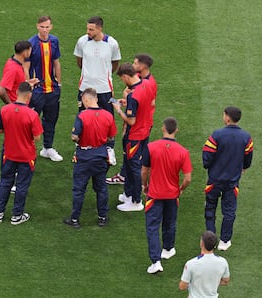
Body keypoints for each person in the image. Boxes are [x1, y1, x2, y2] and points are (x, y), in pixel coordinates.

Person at [141, 117, 192, 274]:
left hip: (155, 195)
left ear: (163, 129)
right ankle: (168, 248)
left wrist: (145, 185)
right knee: (170, 223)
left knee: (152, 227)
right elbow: (188, 178)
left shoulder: (151, 147)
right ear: (176, 130)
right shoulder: (183, 152)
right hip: (172, 195)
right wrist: (181, 189)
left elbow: (144, 170)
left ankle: (156, 261)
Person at [63, 88, 117, 228]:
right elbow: (111, 136)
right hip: (101, 156)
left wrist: (75, 137)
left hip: (84, 157)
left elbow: (75, 137)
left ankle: (75, 220)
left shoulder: (82, 116)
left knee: (79, 189)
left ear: (86, 100)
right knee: (101, 188)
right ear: (96, 99)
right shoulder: (108, 116)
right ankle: (102, 218)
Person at [203, 106, 253, 250]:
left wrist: (208, 166)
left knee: (210, 208)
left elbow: (207, 155)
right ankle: (225, 241)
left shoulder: (217, 135)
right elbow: (248, 156)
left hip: (214, 180)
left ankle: (210, 240)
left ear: (227, 117)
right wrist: (244, 167)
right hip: (232, 181)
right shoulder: (246, 137)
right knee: (229, 211)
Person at [0, 82, 43, 225]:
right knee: (22, 186)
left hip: (9, 153)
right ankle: (17, 215)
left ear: (16, 92)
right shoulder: (32, 115)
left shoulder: (5, 110)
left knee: (5, 182)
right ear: (29, 96)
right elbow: (37, 137)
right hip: (26, 156)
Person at [111, 63, 157, 212]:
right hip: (145, 131)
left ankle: (136, 201)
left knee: (133, 167)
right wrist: (128, 104)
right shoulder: (146, 84)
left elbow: (131, 120)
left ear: (125, 76)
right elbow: (147, 104)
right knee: (132, 164)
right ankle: (129, 194)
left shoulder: (133, 95)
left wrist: (118, 110)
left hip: (135, 135)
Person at [24, 16, 63, 162]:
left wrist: (59, 83)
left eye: (47, 27)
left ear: (51, 27)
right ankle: (27, 149)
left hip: (52, 89)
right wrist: (28, 85)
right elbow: (26, 67)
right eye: (42, 27)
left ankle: (47, 148)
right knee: (31, 121)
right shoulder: (31, 43)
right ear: (37, 26)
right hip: (37, 90)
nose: (45, 30)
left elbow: (56, 63)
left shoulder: (54, 41)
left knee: (51, 119)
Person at [74, 16, 121, 115]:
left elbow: (115, 63)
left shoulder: (112, 44)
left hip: (104, 88)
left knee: (107, 117)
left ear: (100, 29)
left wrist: (104, 73)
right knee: (84, 117)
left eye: (91, 29)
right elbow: (79, 61)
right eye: (87, 29)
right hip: (85, 86)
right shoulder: (82, 41)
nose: (88, 32)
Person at [179, 231, 230, 297]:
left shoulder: (191, 264)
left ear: (202, 244)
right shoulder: (223, 262)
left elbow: (182, 286)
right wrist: (212, 282)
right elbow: (226, 281)